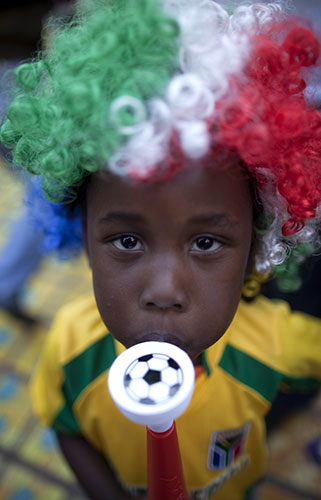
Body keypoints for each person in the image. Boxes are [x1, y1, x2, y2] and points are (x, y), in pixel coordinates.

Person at [1, 1, 321, 499]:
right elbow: (65, 426)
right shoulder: (70, 347)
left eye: (206, 242)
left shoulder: (275, 345)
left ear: (257, 246)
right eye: (127, 241)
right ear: (82, 235)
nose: (166, 290)